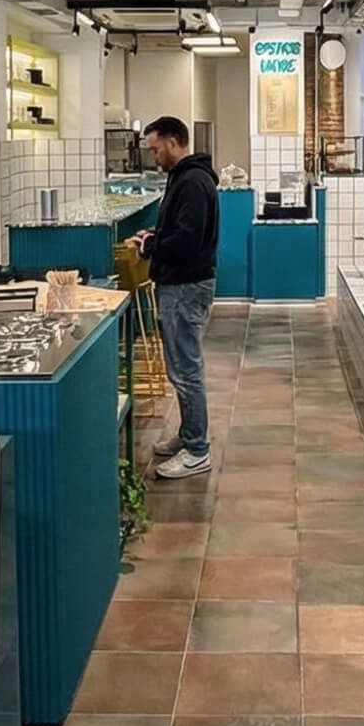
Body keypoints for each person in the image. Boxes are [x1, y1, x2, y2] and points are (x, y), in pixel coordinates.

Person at [131, 114, 218, 479]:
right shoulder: (183, 177)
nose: (154, 157)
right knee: (180, 368)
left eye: (156, 150)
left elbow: (187, 240)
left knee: (186, 369)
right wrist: (153, 235)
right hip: (180, 284)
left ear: (172, 141)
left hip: (186, 285)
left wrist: (151, 246)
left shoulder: (193, 181)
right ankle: (188, 434)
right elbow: (179, 229)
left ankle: (197, 450)